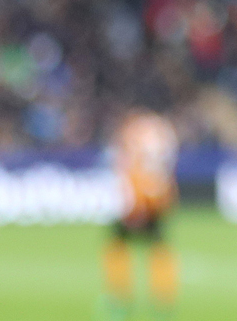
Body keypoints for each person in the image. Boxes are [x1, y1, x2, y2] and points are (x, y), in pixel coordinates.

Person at [101, 110, 180, 319]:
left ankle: (119, 298)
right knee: (159, 246)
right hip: (159, 196)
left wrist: (135, 201)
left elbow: (128, 165)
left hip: (138, 199)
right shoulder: (164, 133)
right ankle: (163, 299)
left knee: (118, 245)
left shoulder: (134, 133)